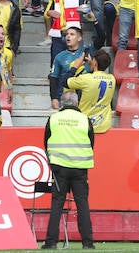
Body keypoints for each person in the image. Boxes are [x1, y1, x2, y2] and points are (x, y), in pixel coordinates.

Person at [42, 90, 96, 250]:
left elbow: (46, 142)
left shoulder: (53, 118)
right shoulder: (85, 119)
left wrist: (53, 162)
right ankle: (88, 243)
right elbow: (91, 143)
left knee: (57, 204)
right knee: (82, 204)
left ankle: (51, 242)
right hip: (80, 169)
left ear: (62, 103)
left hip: (59, 169)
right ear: (77, 103)